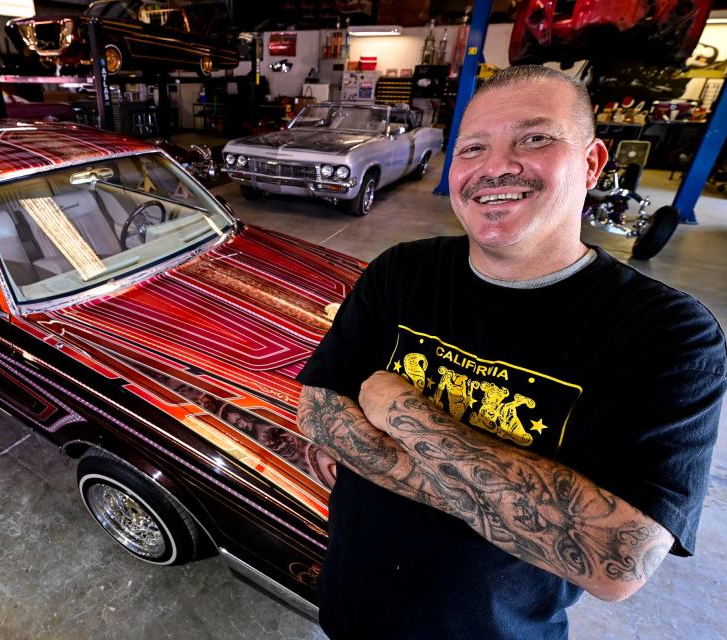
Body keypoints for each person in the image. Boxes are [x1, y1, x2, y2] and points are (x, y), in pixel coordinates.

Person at [296, 65, 727, 640]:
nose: (495, 166)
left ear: (593, 163)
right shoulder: (403, 271)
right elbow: (318, 411)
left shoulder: (668, 333)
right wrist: (527, 511)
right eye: (472, 147)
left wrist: (401, 411)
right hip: (349, 607)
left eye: (535, 138)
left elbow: (615, 559)